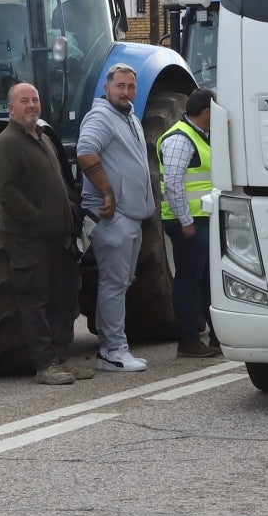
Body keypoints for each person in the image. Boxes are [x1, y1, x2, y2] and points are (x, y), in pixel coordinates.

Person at [0, 82, 86, 385]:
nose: (31, 105)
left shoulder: (43, 138)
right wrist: (37, 219)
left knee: (62, 299)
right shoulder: (6, 143)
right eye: (24, 101)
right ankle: (45, 365)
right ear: (11, 108)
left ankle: (61, 359)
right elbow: (7, 192)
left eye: (35, 99)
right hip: (29, 239)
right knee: (35, 302)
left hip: (57, 238)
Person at [76, 64, 154, 372]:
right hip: (114, 216)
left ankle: (115, 347)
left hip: (130, 217)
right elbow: (85, 152)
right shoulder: (101, 117)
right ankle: (112, 350)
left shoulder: (130, 117)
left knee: (120, 283)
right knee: (113, 283)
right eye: (120, 86)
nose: (125, 92)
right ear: (107, 88)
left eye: (130, 86)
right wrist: (107, 193)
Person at [159, 87, 220, 359]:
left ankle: (217, 336)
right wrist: (185, 221)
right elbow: (173, 184)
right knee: (188, 280)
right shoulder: (180, 139)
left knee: (207, 278)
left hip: (200, 218)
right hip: (187, 221)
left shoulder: (201, 136)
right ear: (207, 112)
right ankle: (187, 339)